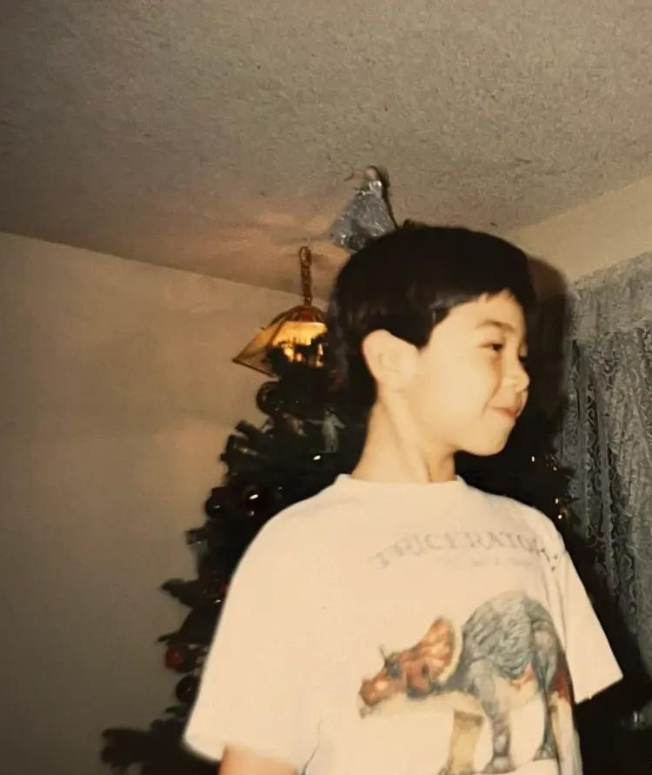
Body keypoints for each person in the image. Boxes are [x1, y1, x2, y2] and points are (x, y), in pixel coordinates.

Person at [184, 225, 623, 775]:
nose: (521, 376)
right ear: (392, 360)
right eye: (493, 346)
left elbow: (560, 723)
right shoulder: (299, 545)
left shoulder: (534, 532)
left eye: (523, 354)